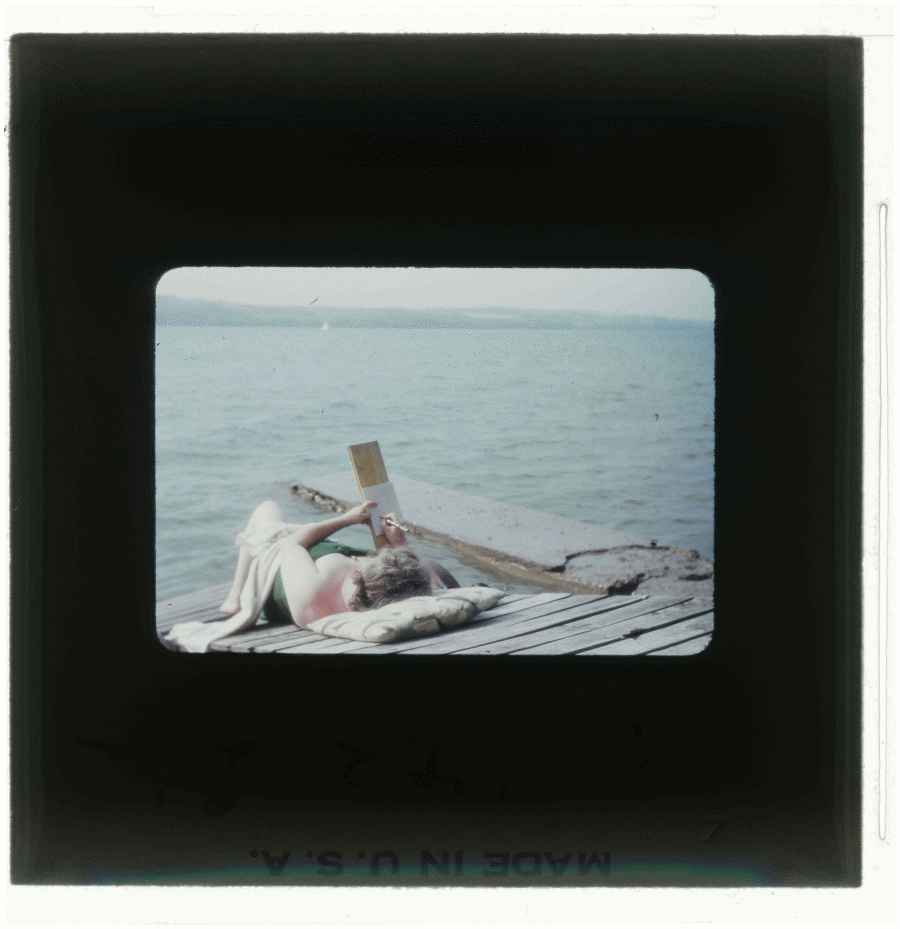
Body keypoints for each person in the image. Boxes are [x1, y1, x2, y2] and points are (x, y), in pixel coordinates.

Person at [218, 500, 450, 629]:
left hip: (283, 564)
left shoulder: (315, 594)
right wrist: (399, 543)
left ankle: (235, 595)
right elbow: (434, 585)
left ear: (363, 576)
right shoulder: (383, 597)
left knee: (267, 509)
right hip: (322, 558)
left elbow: (290, 544)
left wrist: (346, 519)